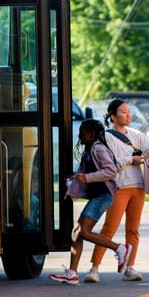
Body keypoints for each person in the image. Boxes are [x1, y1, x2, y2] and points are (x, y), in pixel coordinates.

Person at [84, 99, 149, 283]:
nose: (128, 115)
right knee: (109, 228)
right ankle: (94, 268)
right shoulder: (107, 137)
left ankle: (130, 267)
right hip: (118, 187)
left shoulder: (137, 135)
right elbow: (110, 163)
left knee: (133, 230)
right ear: (112, 116)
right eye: (123, 112)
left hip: (138, 188)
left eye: (129, 111)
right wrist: (130, 159)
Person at [50, 119, 132, 285]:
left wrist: (87, 178)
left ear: (93, 134)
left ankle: (120, 248)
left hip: (103, 195)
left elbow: (111, 171)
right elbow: (83, 172)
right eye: (81, 131)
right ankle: (72, 273)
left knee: (84, 232)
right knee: (77, 232)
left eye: (85, 132)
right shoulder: (89, 150)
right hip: (98, 195)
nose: (81, 135)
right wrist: (73, 184)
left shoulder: (99, 148)